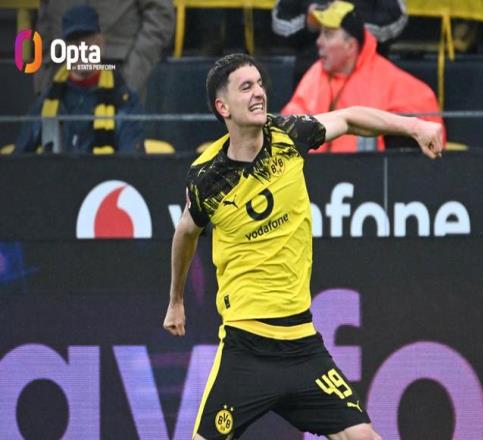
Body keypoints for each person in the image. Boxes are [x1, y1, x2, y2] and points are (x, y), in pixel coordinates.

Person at [162, 53, 443, 439]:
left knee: (364, 437)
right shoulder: (207, 178)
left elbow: (348, 118)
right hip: (247, 347)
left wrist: (414, 126)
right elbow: (185, 232)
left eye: (260, 83)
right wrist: (176, 300)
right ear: (222, 107)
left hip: (302, 347)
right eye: (246, 87)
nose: (259, 92)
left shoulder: (288, 136)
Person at [282, 0, 443, 153]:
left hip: (371, 169)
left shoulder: (387, 79)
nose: (319, 42)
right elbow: (286, 128)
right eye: (320, 33)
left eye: (328, 35)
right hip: (317, 169)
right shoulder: (314, 75)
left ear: (350, 46)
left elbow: (428, 121)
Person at [15, 5, 145, 154]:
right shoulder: (47, 101)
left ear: (101, 43)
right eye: (74, 45)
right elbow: (19, 159)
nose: (81, 51)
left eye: (87, 43)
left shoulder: (124, 100)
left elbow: (131, 161)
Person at [33, 0, 175, 97]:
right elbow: (45, 19)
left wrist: (132, 76)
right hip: (61, 73)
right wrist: (44, 79)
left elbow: (160, 14)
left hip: (118, 68)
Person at [272, 0, 408, 84]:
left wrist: (351, 26)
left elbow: (397, 21)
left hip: (369, 77)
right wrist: (308, 23)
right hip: (310, 77)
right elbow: (279, 22)